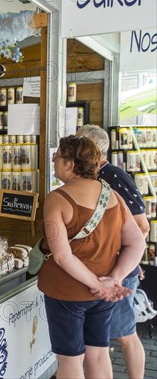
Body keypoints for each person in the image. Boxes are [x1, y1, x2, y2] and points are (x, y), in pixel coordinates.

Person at [38, 135, 146, 379]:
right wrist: (112, 280)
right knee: (98, 353)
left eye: (57, 157)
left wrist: (98, 284)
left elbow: (62, 256)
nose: (54, 161)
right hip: (104, 294)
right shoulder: (113, 196)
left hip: (66, 292)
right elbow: (137, 241)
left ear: (70, 164)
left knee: (70, 360)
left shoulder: (58, 198)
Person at [77, 124, 149, 379]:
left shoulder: (114, 177)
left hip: (117, 273)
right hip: (103, 271)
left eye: (78, 143)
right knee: (101, 338)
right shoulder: (92, 178)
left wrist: (125, 263)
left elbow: (142, 226)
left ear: (92, 149)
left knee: (125, 334)